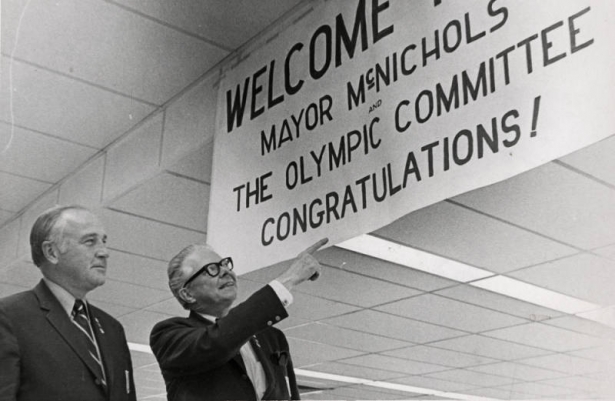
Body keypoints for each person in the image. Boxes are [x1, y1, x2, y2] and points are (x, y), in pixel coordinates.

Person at [150, 238, 329, 401]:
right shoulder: (168, 335)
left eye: (225, 264)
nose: (226, 271)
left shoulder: (272, 337)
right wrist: (287, 281)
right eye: (212, 269)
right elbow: (217, 342)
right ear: (187, 294)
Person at [0, 205, 136, 401]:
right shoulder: (9, 317)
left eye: (104, 241)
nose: (104, 252)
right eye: (90, 241)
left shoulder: (113, 328)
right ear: (52, 252)